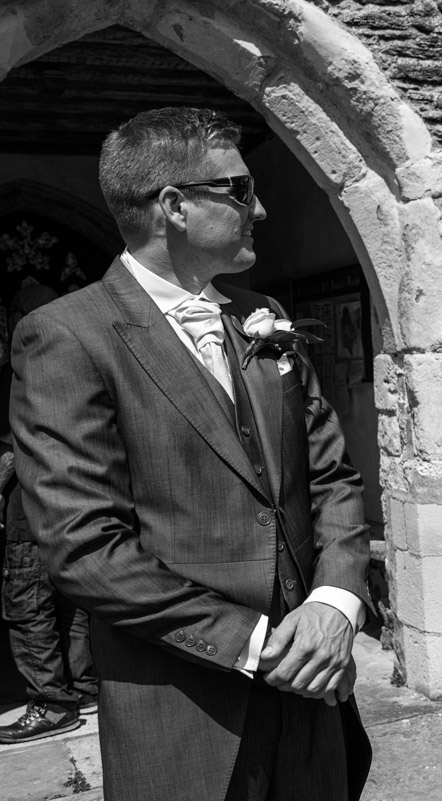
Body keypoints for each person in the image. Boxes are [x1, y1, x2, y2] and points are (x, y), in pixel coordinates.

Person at [9, 108, 372, 800]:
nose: (260, 207)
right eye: (238, 190)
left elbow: (331, 475)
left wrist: (333, 603)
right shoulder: (65, 336)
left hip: (316, 696)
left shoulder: (262, 312)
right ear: (172, 206)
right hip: (185, 710)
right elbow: (83, 546)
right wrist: (259, 644)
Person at [0, 283, 100, 744]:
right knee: (70, 599)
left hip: (32, 505)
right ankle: (81, 688)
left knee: (29, 604)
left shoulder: (22, 369)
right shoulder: (82, 361)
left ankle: (52, 703)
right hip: (76, 503)